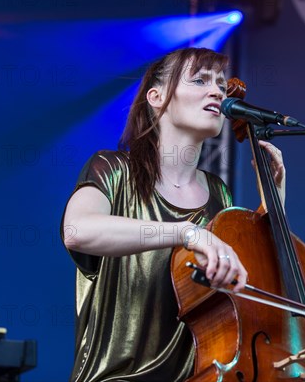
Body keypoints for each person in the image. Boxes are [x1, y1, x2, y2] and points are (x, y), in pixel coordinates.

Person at [60, 47, 286, 382]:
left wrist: (274, 198)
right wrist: (186, 233)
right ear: (157, 96)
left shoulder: (217, 193)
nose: (217, 92)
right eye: (199, 80)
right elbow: (78, 230)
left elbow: (244, 294)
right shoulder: (112, 169)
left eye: (222, 86)